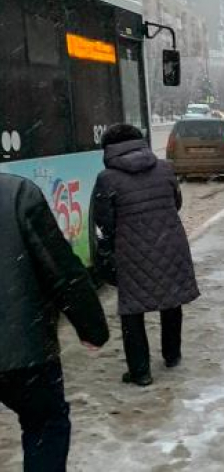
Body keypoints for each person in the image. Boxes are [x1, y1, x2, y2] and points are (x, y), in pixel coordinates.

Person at [0, 172, 109, 470]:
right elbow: (60, 269)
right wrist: (91, 326)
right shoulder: (16, 193)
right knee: (45, 425)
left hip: (20, 348)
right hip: (23, 352)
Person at [92, 124, 199, 387]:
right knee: (171, 300)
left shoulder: (107, 179)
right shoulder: (165, 168)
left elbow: (104, 221)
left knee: (132, 310)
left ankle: (140, 372)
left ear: (109, 150)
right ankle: (172, 355)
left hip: (130, 250)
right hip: (171, 243)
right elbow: (176, 203)